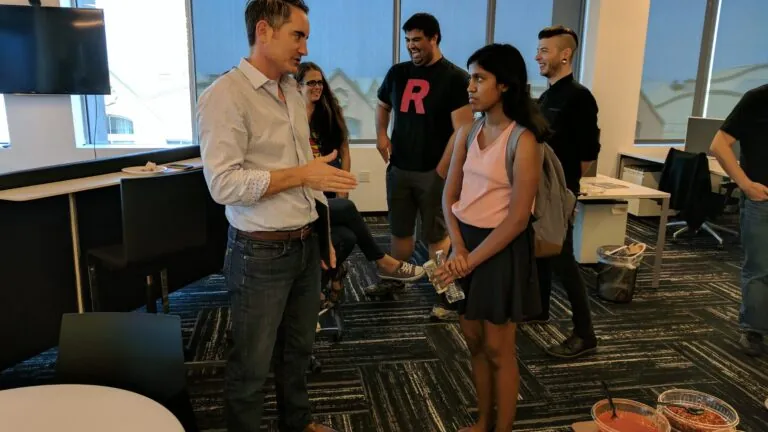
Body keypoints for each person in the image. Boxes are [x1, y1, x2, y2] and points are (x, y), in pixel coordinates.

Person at [196, 1, 357, 431]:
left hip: (305, 243)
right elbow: (224, 185)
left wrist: (322, 235)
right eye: (298, 35)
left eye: (306, 37)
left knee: (297, 351)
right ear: (264, 31)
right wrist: (303, 174)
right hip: (259, 253)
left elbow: (307, 171)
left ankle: (297, 423)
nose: (305, 47)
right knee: (251, 364)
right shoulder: (225, 96)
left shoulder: (291, 89)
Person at [434, 43, 547, 432]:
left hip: (499, 249)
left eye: (480, 78)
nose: (470, 86)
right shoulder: (468, 131)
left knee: (499, 349)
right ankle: (483, 421)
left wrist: (472, 256)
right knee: (474, 341)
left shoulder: (523, 141)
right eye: (471, 77)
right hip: (465, 244)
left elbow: (517, 219)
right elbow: (449, 196)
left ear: (505, 86)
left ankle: (503, 429)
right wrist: (459, 248)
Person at [370, 12, 474, 322]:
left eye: (417, 40)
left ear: (434, 38)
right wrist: (380, 136)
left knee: (436, 239)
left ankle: (445, 296)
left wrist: (443, 167)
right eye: (407, 40)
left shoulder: (455, 78)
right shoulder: (398, 73)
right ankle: (394, 281)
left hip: (435, 173)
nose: (411, 46)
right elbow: (382, 105)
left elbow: (463, 129)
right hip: (400, 168)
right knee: (400, 232)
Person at [296, 62, 425, 306]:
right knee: (346, 211)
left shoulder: (329, 110)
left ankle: (319, 285)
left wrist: (342, 185)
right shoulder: (290, 117)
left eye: (319, 82)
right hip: (304, 191)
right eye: (310, 82)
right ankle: (381, 261)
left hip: (329, 183)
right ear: (297, 85)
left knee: (347, 236)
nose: (316, 87)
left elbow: (344, 149)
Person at [531, 25, 600, 358]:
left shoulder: (579, 97)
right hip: (541, 190)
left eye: (544, 50)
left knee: (562, 258)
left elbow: (588, 154)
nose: (538, 56)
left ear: (565, 54)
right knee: (541, 249)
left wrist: (564, 187)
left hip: (561, 192)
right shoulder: (546, 96)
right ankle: (538, 309)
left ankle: (585, 334)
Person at [709, 84, 768, 357]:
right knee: (760, 269)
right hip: (762, 200)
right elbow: (719, 145)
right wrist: (745, 184)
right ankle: (753, 330)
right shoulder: (757, 98)